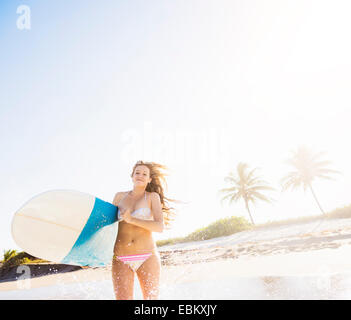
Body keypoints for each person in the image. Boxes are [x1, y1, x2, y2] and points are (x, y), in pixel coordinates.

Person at [111, 160, 174, 300]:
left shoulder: (152, 197)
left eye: (144, 174)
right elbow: (108, 227)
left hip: (147, 255)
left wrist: (132, 220)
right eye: (137, 172)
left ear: (149, 179)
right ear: (132, 176)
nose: (140, 175)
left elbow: (159, 226)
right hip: (120, 257)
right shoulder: (119, 196)